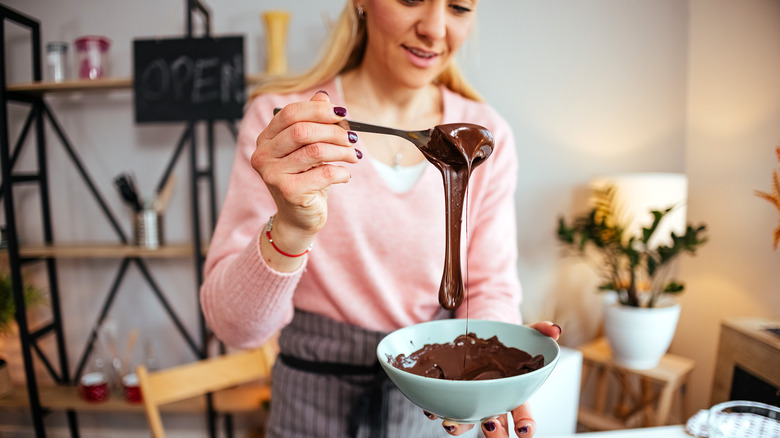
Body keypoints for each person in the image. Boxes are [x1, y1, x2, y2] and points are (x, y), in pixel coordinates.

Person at [200, 0, 561, 437]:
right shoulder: (286, 126)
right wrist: (292, 227)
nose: (434, 28)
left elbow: (488, 286)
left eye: (460, 7)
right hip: (310, 405)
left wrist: (498, 360)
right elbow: (234, 327)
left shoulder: (485, 136)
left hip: (432, 399)